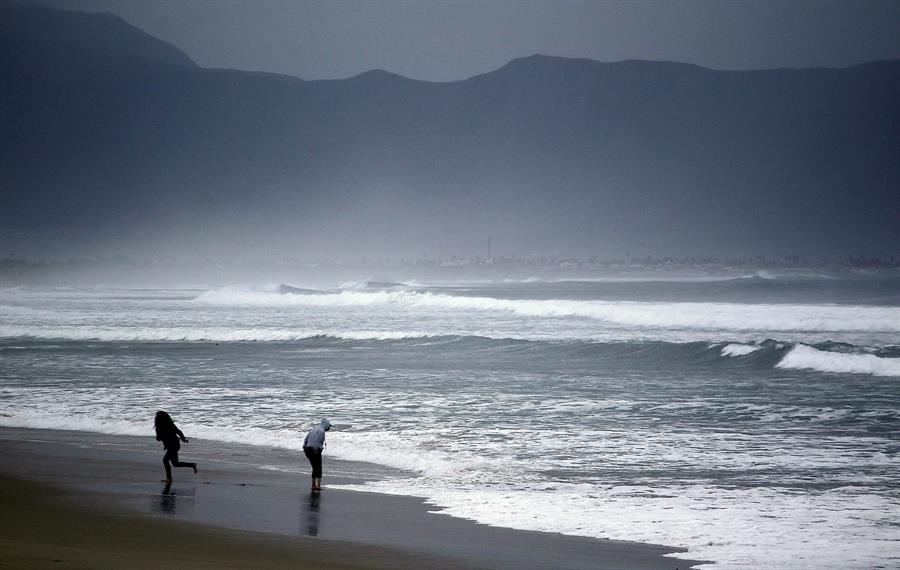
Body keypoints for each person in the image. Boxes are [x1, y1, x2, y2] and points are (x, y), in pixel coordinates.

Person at [154, 410, 198, 483]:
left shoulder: (160, 427)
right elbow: (179, 431)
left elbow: (158, 438)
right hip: (175, 444)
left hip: (172, 446)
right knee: (175, 463)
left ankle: (169, 478)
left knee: (165, 461)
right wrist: (183, 439)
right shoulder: (170, 424)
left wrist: (157, 431)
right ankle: (192, 465)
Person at [303, 418, 332, 491]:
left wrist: (305, 449)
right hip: (315, 450)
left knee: (315, 468)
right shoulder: (322, 431)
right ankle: (318, 485)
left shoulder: (313, 429)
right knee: (318, 468)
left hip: (308, 449)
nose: (329, 428)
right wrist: (318, 449)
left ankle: (313, 485)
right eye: (329, 426)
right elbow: (318, 441)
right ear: (326, 425)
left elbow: (306, 440)